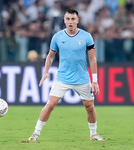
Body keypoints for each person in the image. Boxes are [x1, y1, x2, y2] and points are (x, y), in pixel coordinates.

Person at [28, 8, 105, 141]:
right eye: (68, 19)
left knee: (90, 107)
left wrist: (95, 80)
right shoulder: (57, 37)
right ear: (64, 21)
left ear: (77, 20)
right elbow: (50, 56)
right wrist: (46, 71)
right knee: (50, 104)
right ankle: (35, 133)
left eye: (73, 19)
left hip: (82, 78)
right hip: (63, 78)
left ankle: (93, 134)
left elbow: (92, 59)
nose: (70, 22)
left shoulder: (86, 36)